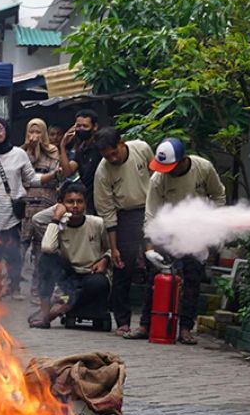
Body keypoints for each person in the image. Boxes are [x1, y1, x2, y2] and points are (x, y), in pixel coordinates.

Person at [127, 137, 226, 345]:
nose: (166, 171)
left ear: (183, 160)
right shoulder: (158, 179)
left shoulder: (203, 168)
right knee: (155, 277)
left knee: (192, 279)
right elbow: (151, 214)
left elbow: (218, 196)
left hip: (195, 233)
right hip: (168, 231)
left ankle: (186, 328)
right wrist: (150, 247)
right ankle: (145, 325)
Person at [0, 117, 60, 298]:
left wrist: (52, 175)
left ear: (7, 131)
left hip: (10, 213)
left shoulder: (19, 154)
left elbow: (31, 178)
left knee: (13, 253)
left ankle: (14, 288)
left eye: (1, 129)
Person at [92, 128, 153, 336]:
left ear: (122, 143)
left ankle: (147, 322)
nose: (112, 158)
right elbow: (107, 212)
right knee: (122, 269)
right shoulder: (102, 172)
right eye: (106, 156)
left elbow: (157, 180)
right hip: (124, 217)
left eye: (114, 153)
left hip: (150, 211)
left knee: (155, 265)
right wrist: (113, 248)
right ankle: (122, 321)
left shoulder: (142, 149)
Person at [28, 183, 111, 328]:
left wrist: (105, 259)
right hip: (68, 275)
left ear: (85, 204)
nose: (75, 206)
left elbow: (110, 249)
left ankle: (62, 308)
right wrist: (56, 216)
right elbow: (47, 246)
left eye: (79, 201)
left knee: (100, 283)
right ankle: (45, 312)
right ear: (62, 204)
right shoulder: (59, 224)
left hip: (90, 274)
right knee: (46, 260)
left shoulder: (97, 223)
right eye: (70, 202)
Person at [21, 117, 65, 293]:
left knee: (42, 247)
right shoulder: (22, 152)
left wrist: (41, 179)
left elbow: (58, 176)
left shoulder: (53, 152)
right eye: (31, 131)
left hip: (47, 202)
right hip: (26, 204)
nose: (34, 135)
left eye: (38, 131)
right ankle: (12, 285)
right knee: (21, 244)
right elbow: (23, 176)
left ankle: (37, 288)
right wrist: (32, 149)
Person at [58, 109, 102, 214]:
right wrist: (62, 146)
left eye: (85, 126)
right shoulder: (81, 149)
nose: (81, 129)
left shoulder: (100, 147)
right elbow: (67, 171)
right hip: (88, 198)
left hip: (101, 195)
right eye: (78, 126)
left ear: (94, 127)